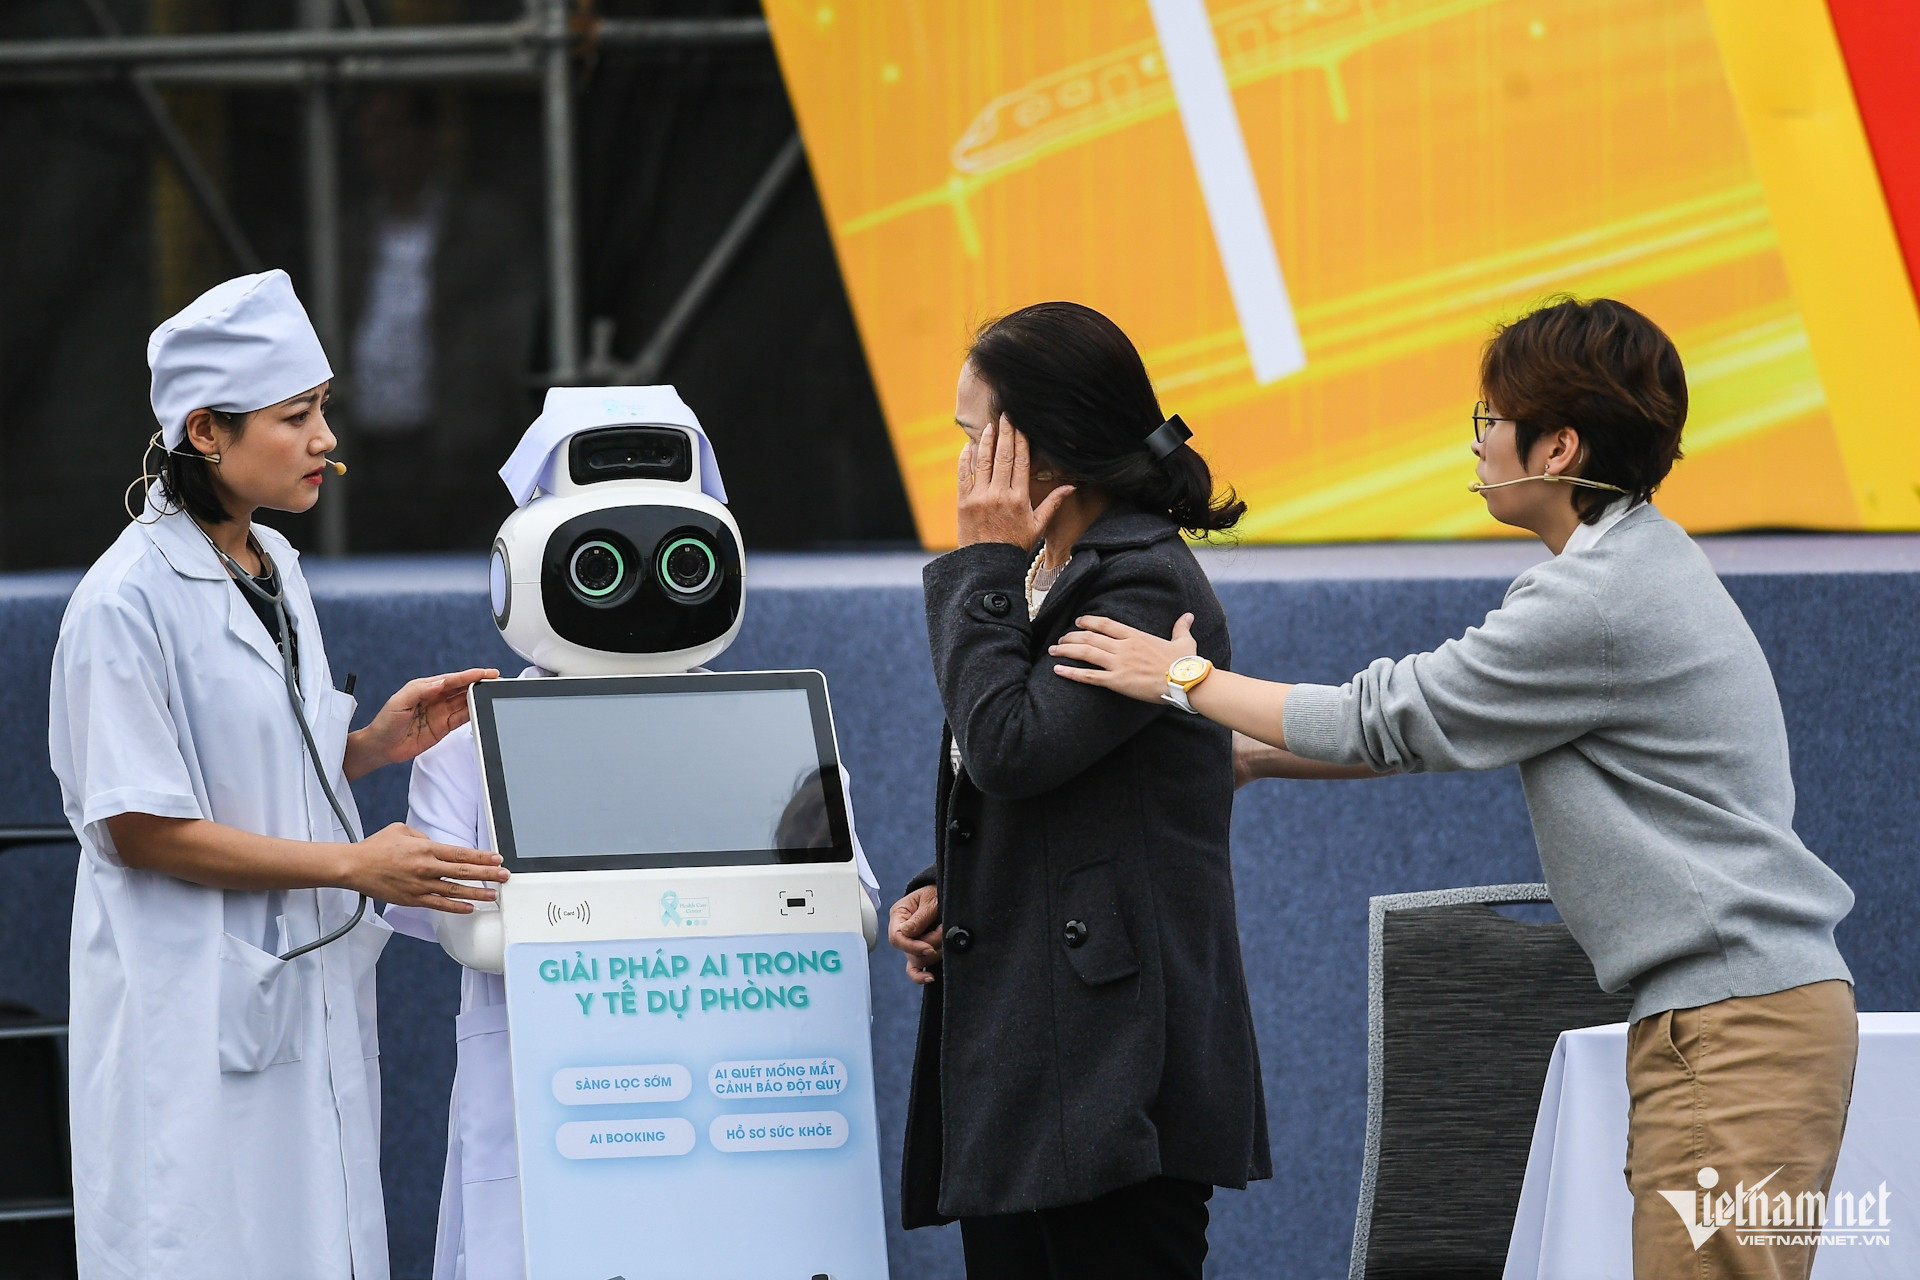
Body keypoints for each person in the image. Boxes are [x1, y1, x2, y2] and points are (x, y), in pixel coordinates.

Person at [1053, 297, 1858, 1280]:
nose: (1478, 444)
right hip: (1741, 1015)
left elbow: (1386, 714)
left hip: (1734, 1025)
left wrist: (1181, 678)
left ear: (1558, 447)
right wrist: (1252, 755)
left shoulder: (1595, 598)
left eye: (1492, 420)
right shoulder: (1632, 565)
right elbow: (1433, 728)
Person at [48, 270, 511, 1280]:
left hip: (293, 987)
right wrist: (354, 865)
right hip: (191, 1004)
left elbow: (244, 761)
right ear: (206, 432)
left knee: (315, 1238)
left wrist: (371, 745)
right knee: (210, 1242)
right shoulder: (124, 603)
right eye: (295, 417)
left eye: (324, 410)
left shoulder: (276, 569)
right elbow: (140, 826)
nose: (324, 441)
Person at [381, 388, 884, 1280]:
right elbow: (463, 925)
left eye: (685, 561)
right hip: (555, 1106)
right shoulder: (468, 741)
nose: (647, 590)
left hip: (746, 1102)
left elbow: (855, 913)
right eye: (600, 566)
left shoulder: (769, 729)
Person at [887, 302, 1270, 1280]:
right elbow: (1051, 789)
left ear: (1045, 447)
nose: (965, 464)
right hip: (1032, 1052)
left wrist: (981, 561)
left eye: (978, 437)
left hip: (1109, 1061)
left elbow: (1010, 746)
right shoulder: (1043, 574)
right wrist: (952, 888)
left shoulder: (1143, 582)